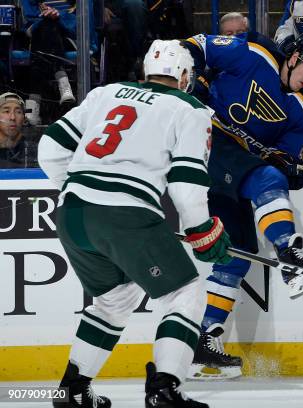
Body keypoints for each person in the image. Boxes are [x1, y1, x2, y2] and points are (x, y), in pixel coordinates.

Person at [38, 40, 231, 408]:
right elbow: (187, 184)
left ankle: (74, 389)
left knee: (113, 301)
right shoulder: (191, 108)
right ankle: (165, 388)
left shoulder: (105, 92)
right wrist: (201, 230)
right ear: (186, 76)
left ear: (146, 70)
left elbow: (50, 149)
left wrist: (85, 190)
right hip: (126, 214)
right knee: (185, 294)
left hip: (72, 213)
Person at [182, 30, 303, 380]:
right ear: (296, 56)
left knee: (235, 256)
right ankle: (291, 258)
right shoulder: (252, 55)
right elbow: (195, 45)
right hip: (205, 141)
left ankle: (203, 341)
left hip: (234, 169)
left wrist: (289, 164)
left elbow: (282, 152)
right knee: (268, 180)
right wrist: (190, 80)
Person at [0, 92, 29, 168]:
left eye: (18, 112)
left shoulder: (30, 149)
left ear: (24, 119)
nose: (12, 117)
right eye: (6, 111)